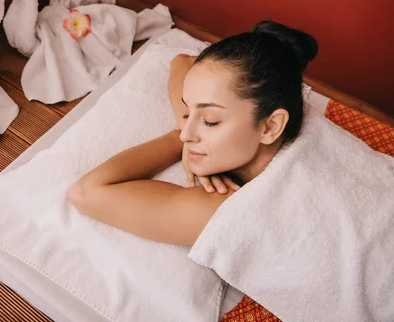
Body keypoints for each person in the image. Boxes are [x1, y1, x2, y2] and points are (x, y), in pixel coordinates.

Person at [67, 21, 318, 245]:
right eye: (187, 111)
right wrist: (196, 128)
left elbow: (86, 192)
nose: (187, 135)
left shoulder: (231, 209)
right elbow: (182, 62)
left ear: (271, 126)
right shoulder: (285, 117)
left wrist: (176, 141)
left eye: (210, 121)